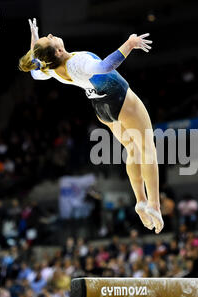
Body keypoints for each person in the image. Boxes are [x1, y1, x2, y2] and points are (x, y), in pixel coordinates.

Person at [19, 19, 163, 233]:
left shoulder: (50, 68)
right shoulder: (78, 63)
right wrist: (130, 44)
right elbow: (105, 67)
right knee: (147, 149)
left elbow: (33, 69)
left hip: (101, 107)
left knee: (132, 148)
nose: (50, 35)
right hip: (119, 98)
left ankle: (140, 200)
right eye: (48, 39)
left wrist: (34, 40)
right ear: (58, 50)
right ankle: (154, 204)